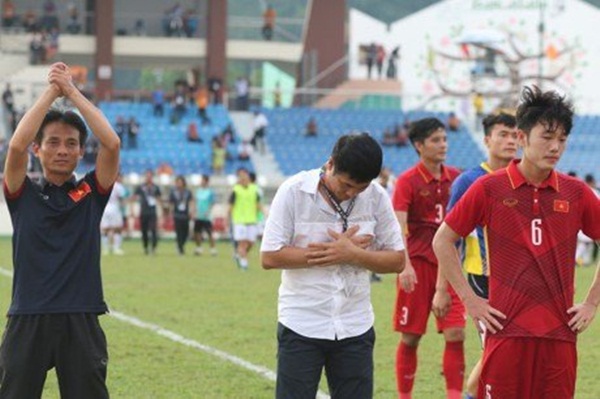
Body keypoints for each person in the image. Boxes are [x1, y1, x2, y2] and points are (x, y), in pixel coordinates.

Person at [433, 86, 600, 399]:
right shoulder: (489, 188)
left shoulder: (575, 192)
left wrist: (592, 302)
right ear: (522, 138)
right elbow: (443, 240)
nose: (556, 147)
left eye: (562, 139)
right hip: (506, 331)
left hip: (560, 333)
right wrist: (470, 300)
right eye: (547, 137)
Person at [1, 62, 120, 397]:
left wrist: (71, 92)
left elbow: (111, 144)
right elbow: (15, 147)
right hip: (28, 317)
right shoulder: (22, 193)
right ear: (38, 150)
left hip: (80, 317)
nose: (62, 150)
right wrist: (52, 91)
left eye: (71, 143)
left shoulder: (90, 194)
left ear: (82, 151)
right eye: (52, 142)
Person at [261, 133, 405, 399]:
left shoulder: (376, 197)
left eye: (360, 187)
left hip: (355, 324)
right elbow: (270, 256)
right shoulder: (293, 192)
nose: (351, 193)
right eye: (346, 184)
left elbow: (397, 260)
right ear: (331, 164)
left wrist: (354, 255)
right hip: (301, 323)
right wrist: (333, 253)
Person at [436, 113, 517, 399]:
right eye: (503, 134)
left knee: (509, 352)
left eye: (515, 134)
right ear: (486, 140)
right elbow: (448, 240)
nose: (510, 140)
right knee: (496, 353)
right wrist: (441, 290)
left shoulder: (525, 177)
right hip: (483, 280)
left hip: (520, 282)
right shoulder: (468, 181)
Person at [391, 117, 464, 399]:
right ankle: (405, 395)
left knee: (456, 333)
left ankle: (454, 395)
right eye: (436, 140)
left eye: (444, 139)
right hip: (418, 266)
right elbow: (399, 226)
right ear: (419, 145)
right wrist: (404, 265)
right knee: (410, 337)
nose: (443, 145)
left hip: (450, 265)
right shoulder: (407, 181)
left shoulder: (456, 178)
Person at [229, 167, 261, 270]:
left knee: (251, 242)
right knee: (242, 242)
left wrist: (262, 214)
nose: (244, 180)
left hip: (251, 219)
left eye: (245, 178)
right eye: (242, 178)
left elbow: (258, 203)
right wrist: (227, 217)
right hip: (239, 220)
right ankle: (244, 263)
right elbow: (231, 205)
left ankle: (239, 255)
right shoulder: (236, 190)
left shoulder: (254, 189)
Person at [132, 169, 163, 255]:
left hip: (152, 211)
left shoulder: (156, 187)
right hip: (143, 211)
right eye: (147, 176)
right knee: (144, 230)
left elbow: (159, 199)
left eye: (150, 176)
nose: (148, 177)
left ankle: (153, 247)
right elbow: (134, 197)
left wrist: (162, 211)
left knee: (153, 230)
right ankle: (145, 247)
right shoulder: (141, 187)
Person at [100, 172, 128, 255]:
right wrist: (123, 209)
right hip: (115, 209)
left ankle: (105, 249)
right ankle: (116, 248)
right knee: (117, 229)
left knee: (105, 229)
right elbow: (122, 198)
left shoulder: (103, 184)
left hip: (104, 209)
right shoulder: (118, 186)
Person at [193, 174, 217, 256]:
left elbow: (212, 203)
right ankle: (199, 248)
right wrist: (194, 211)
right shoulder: (198, 191)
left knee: (209, 233)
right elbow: (196, 202)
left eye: (203, 180)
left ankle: (213, 249)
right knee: (197, 232)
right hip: (198, 215)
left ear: (206, 181)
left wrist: (208, 211)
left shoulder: (210, 192)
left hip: (207, 216)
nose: (201, 182)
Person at [169, 175, 193, 255]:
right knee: (178, 232)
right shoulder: (173, 192)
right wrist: (170, 212)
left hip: (185, 215)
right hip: (177, 214)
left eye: (180, 182)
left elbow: (191, 202)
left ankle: (181, 245)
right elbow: (171, 203)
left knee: (185, 232)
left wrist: (191, 211)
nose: (179, 184)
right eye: (177, 182)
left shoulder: (188, 192)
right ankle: (180, 249)